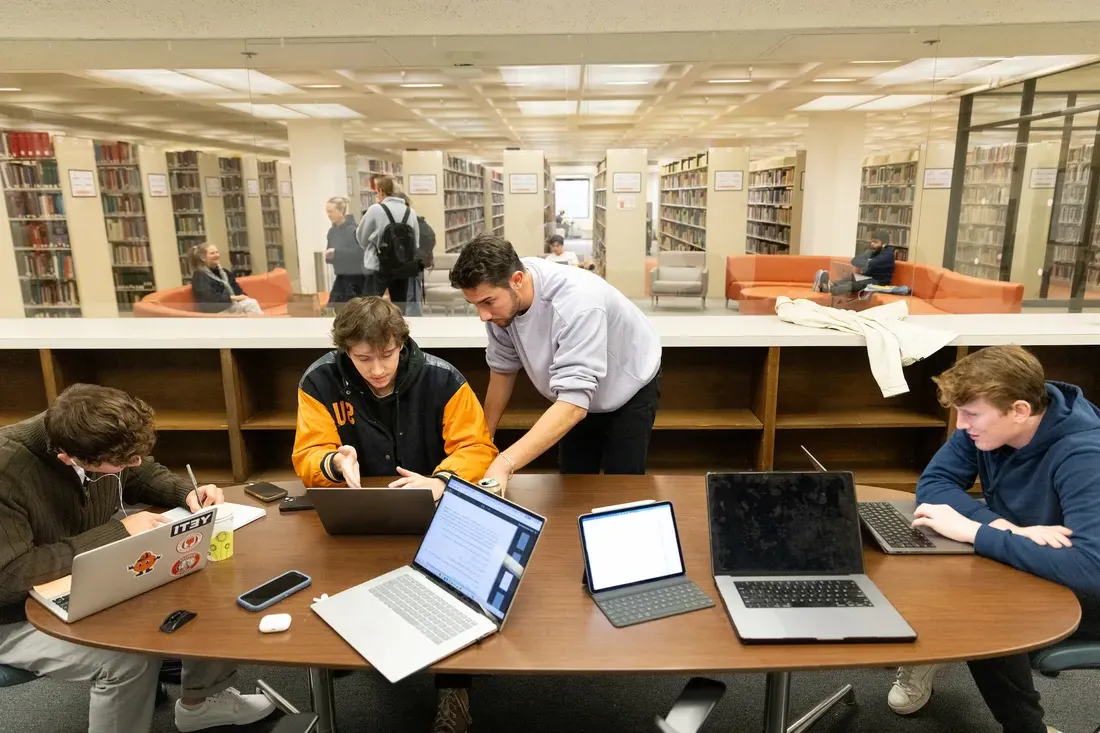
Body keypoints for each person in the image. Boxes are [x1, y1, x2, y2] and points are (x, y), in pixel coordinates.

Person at [0, 384, 277, 733]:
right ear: (68, 458)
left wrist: (188, 493)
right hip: (14, 616)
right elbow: (8, 577)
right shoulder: (7, 471)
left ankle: (202, 703)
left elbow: (141, 472)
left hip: (87, 580)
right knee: (124, 659)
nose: (132, 464)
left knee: (206, 584)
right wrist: (119, 532)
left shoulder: (93, 432)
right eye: (121, 463)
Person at [291, 296, 495, 733]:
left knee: (450, 591)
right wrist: (333, 463)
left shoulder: (444, 379)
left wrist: (441, 480)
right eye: (364, 359)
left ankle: (453, 690)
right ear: (345, 351)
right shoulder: (320, 380)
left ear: (402, 343)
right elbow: (309, 452)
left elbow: (477, 448)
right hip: (359, 503)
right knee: (339, 569)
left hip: (437, 505)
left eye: (387, 355)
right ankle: (357, 647)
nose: (378, 369)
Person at [885, 345, 1100, 733]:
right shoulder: (991, 420)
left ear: (1019, 410)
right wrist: (1005, 530)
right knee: (927, 551)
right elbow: (934, 484)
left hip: (1086, 583)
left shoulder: (1085, 455)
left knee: (981, 607)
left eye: (971, 415)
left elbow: (1090, 568)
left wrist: (977, 532)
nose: (962, 425)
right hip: (1032, 552)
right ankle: (942, 641)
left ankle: (1025, 728)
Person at [449, 233, 662, 494]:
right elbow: (503, 370)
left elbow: (574, 406)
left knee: (623, 486)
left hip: (629, 385)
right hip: (572, 397)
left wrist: (504, 464)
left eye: (487, 302)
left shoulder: (577, 303)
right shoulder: (502, 300)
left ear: (517, 280)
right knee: (573, 483)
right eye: (474, 305)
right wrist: (483, 442)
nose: (482, 315)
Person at [355, 176, 419, 308]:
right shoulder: (410, 211)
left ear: (380, 191)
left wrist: (371, 248)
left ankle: (372, 328)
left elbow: (361, 236)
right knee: (399, 307)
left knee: (370, 307)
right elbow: (416, 242)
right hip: (403, 266)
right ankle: (397, 328)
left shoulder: (375, 209)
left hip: (378, 265)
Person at [188, 243, 263, 315]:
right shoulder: (199, 276)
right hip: (215, 312)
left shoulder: (224, 272)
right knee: (250, 304)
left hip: (229, 307)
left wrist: (242, 297)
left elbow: (237, 289)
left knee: (249, 303)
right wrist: (235, 298)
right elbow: (211, 300)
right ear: (203, 258)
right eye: (212, 253)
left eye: (217, 252)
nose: (216, 255)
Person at [394, 192, 436, 317]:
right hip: (406, 268)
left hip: (409, 268)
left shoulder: (414, 222)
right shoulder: (411, 221)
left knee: (411, 303)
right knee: (408, 301)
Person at [324, 196, 366, 306]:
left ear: (341, 211)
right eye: (327, 212)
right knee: (331, 308)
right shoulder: (332, 232)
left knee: (353, 310)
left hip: (355, 278)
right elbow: (330, 253)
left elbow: (358, 254)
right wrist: (329, 257)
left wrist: (336, 253)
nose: (328, 215)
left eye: (331, 212)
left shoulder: (354, 230)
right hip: (340, 276)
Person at [827, 230, 895, 296]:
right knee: (849, 277)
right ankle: (830, 284)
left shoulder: (888, 255)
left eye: (875, 242)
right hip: (868, 277)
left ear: (884, 244)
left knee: (852, 284)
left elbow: (872, 263)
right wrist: (867, 259)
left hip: (879, 283)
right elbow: (854, 260)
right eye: (872, 241)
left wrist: (867, 260)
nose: (872, 244)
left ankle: (829, 290)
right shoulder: (873, 251)